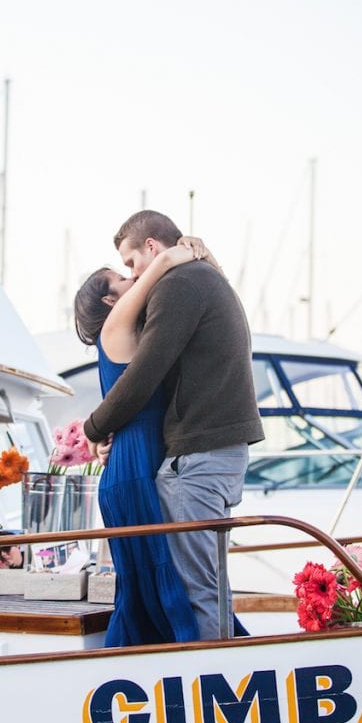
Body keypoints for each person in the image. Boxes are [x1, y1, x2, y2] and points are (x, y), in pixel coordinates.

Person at [83, 210, 264, 640]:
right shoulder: (205, 278)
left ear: (151, 247)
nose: (134, 273)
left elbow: (143, 376)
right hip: (217, 451)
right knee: (206, 584)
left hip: (198, 457)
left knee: (194, 587)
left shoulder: (178, 286)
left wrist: (93, 430)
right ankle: (219, 674)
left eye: (131, 263)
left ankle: (210, 681)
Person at [74, 237, 211, 646]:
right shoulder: (116, 326)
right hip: (133, 466)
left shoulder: (130, 330)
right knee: (148, 585)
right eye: (120, 276)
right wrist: (184, 250)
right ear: (107, 301)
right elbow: (162, 261)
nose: (132, 276)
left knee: (154, 581)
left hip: (135, 459)